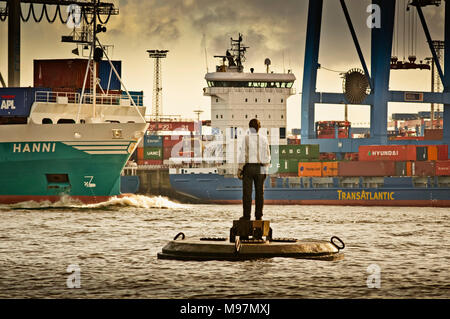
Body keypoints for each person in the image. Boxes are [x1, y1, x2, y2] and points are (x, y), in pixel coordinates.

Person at [237, 119, 271, 220]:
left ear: (249, 127)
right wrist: (266, 168)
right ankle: (258, 216)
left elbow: (243, 154)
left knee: (247, 193)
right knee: (260, 194)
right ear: (259, 128)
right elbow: (267, 155)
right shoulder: (264, 139)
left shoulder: (246, 138)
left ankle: (247, 216)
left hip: (249, 168)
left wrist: (240, 169)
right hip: (261, 167)